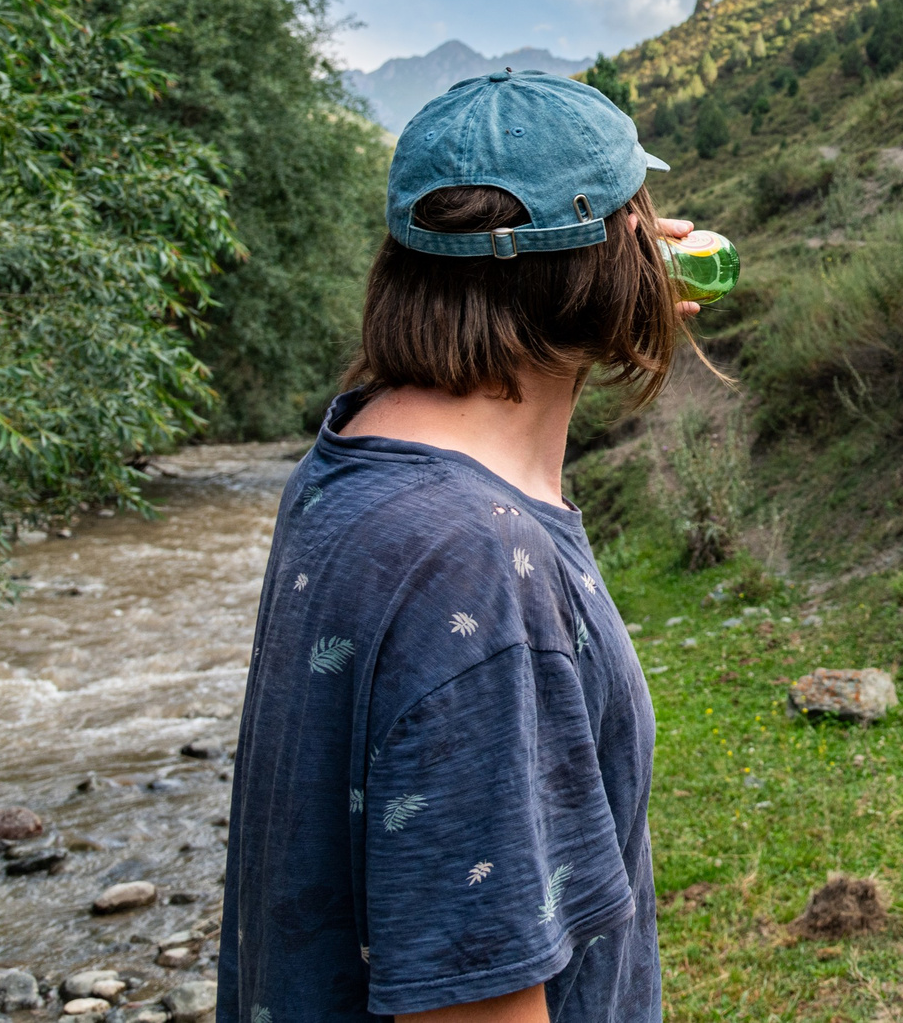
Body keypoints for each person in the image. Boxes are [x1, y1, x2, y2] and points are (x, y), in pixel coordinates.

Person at [220, 69, 697, 1023]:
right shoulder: (473, 560)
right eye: (640, 216)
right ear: (608, 257)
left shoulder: (354, 453)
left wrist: (606, 292)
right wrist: (609, 289)